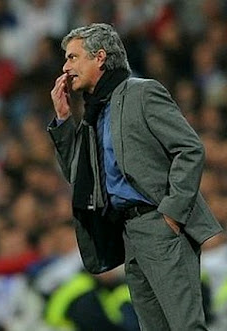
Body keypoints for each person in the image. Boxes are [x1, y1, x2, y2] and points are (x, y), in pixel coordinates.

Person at [48, 23, 223, 331]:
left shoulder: (142, 92)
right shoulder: (94, 111)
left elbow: (190, 149)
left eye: (73, 57)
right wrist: (64, 120)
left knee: (185, 326)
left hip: (160, 225)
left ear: (99, 57)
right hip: (127, 232)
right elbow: (77, 175)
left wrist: (172, 213)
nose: (65, 67)